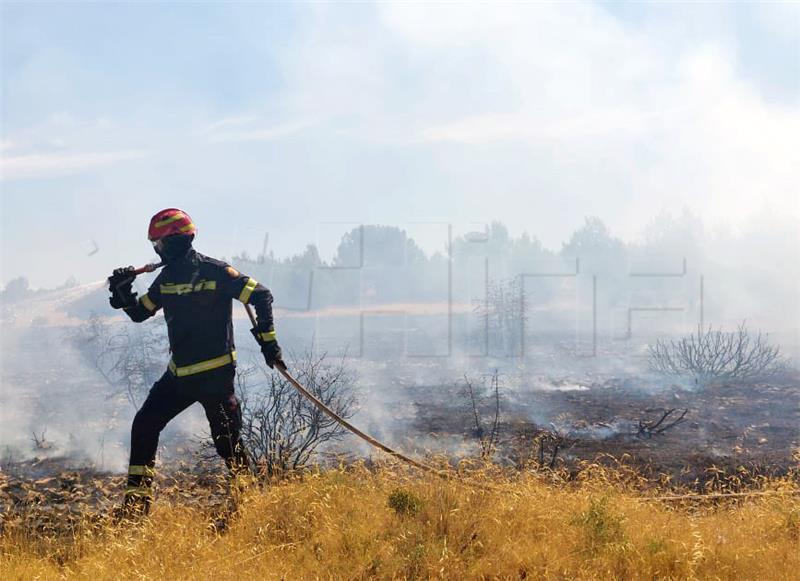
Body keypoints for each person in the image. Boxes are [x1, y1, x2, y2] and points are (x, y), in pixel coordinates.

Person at [107, 208, 282, 514]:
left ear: (172, 242)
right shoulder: (166, 278)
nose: (156, 250)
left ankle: (250, 505)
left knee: (227, 443)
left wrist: (269, 344)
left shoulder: (215, 271)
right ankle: (136, 508)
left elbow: (261, 295)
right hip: (180, 377)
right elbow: (140, 313)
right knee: (145, 425)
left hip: (215, 378)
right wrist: (124, 295)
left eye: (157, 244)